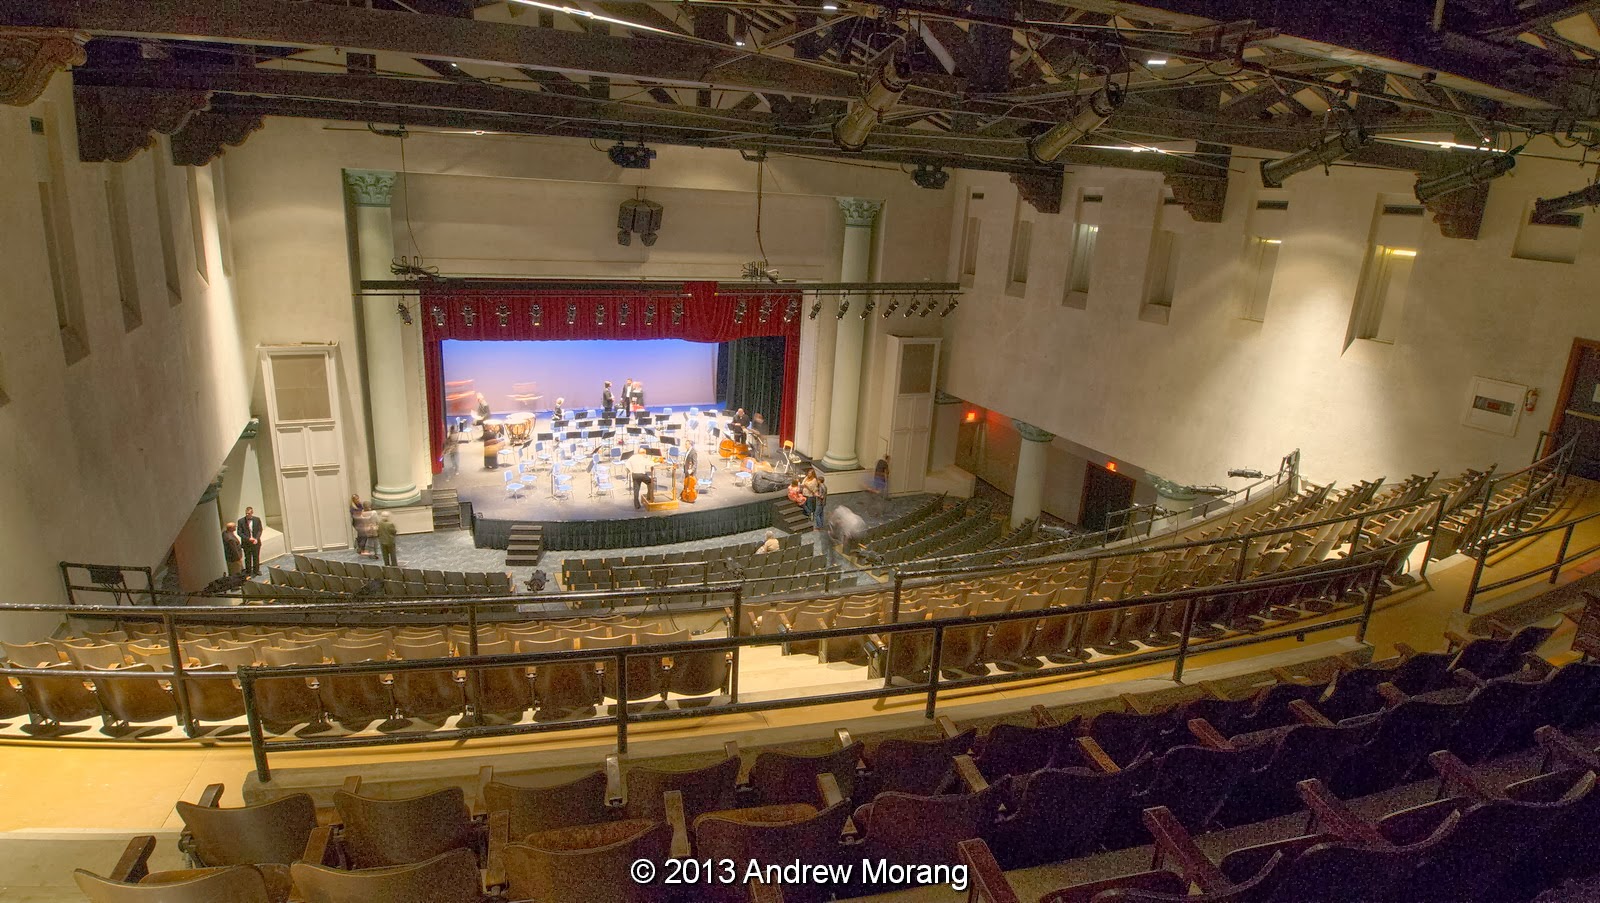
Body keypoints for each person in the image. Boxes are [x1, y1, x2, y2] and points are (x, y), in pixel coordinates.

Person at [238, 506, 264, 576]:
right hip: (247, 543)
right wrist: (248, 539)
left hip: (256, 542)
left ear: (252, 513)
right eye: (246, 513)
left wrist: (256, 539)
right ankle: (248, 571)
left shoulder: (257, 519)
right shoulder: (241, 521)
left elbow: (260, 530)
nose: (247, 515)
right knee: (248, 557)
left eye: (248, 513)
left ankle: (256, 570)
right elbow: (239, 532)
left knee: (256, 557)